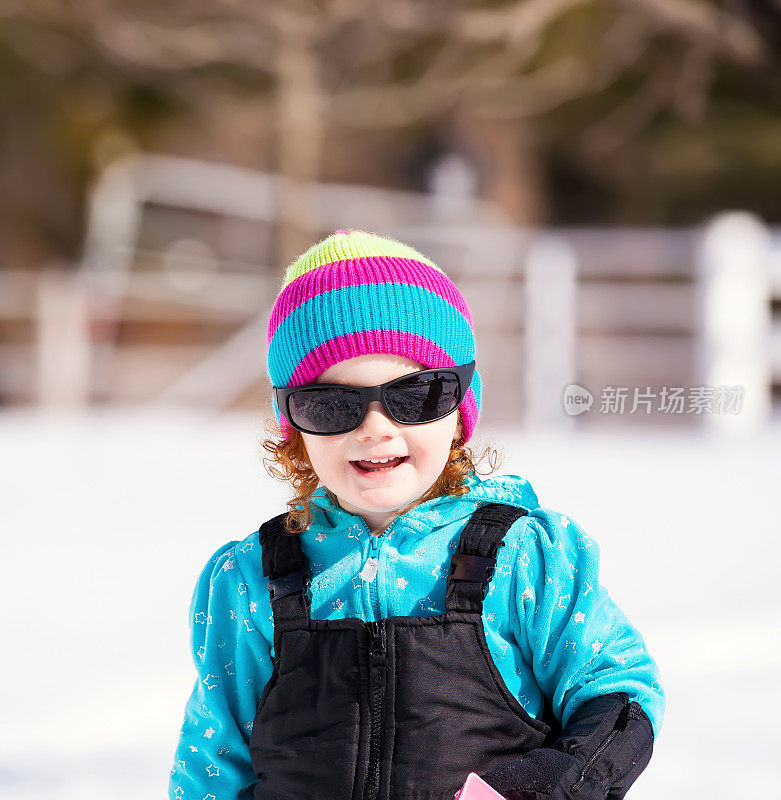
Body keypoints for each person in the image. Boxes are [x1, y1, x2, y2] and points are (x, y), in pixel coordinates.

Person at [168, 229, 665, 800]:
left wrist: (541, 787)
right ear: (293, 424)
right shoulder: (250, 581)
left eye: (415, 396)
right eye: (333, 404)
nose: (376, 426)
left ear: (460, 408)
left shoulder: (524, 559)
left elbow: (619, 694)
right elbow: (213, 763)